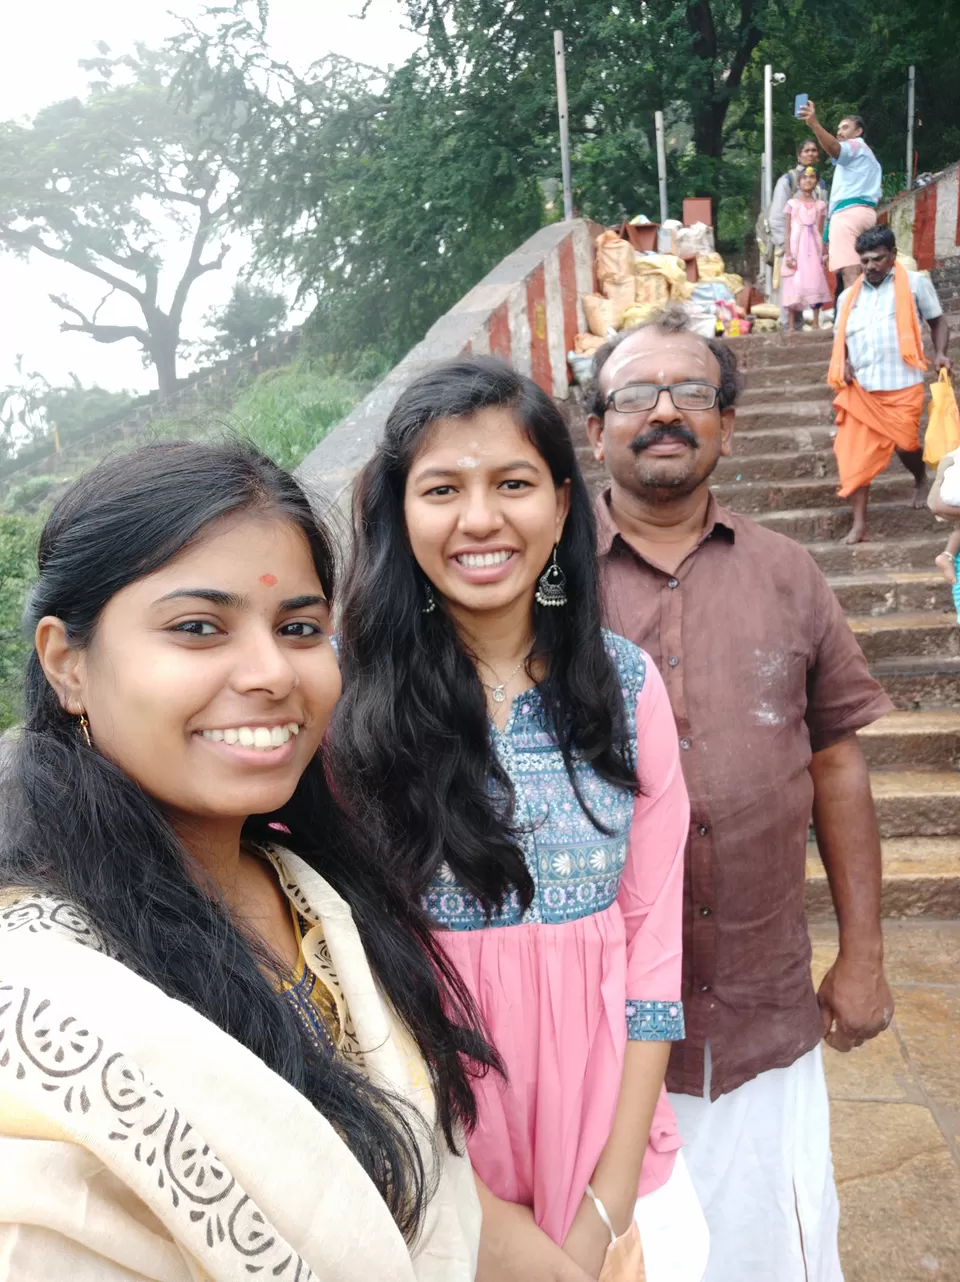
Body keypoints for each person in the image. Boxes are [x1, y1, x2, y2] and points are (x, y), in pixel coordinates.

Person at [0, 441, 493, 1282]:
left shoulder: (320, 896)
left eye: (300, 628)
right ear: (66, 664)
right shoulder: (42, 999)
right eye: (198, 628)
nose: (271, 673)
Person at [329, 357, 709, 1282]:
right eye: (442, 489)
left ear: (565, 504)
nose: (480, 519)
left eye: (512, 483)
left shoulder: (625, 688)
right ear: (399, 511)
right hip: (427, 1145)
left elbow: (652, 957)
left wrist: (599, 1217)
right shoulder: (344, 701)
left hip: (606, 1138)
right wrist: (488, 1226)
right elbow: (333, 961)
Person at [584, 307, 896, 1282]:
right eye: (637, 394)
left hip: (767, 1017)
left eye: (692, 394)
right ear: (595, 427)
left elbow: (837, 758)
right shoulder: (538, 588)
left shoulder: (788, 573)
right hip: (598, 1037)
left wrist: (865, 953)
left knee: (774, 1249)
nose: (665, 411)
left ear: (729, 424)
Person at [828, 224, 950, 544]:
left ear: (893, 255)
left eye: (878, 259)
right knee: (853, 454)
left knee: (905, 445)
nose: (870, 266)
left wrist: (940, 354)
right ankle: (859, 525)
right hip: (861, 389)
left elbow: (937, 320)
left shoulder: (915, 284)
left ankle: (920, 476)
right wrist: (846, 362)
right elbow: (839, 339)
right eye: (865, 261)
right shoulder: (846, 298)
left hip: (902, 383)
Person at [799, 102, 882, 290]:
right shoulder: (870, 158)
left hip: (847, 216)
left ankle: (854, 317)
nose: (839, 132)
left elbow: (835, 149)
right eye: (838, 128)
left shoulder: (854, 146)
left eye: (845, 128)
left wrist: (814, 124)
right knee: (865, 272)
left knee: (850, 273)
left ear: (858, 131)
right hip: (867, 214)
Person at [781, 166, 832, 331]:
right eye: (804, 178)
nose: (807, 181)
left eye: (811, 177)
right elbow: (788, 231)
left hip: (813, 249)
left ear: (816, 181)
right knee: (793, 284)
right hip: (796, 248)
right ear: (798, 182)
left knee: (815, 281)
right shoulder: (792, 204)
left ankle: (816, 323)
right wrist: (788, 253)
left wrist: (824, 252)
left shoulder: (820, 205)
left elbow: (821, 230)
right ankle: (791, 325)